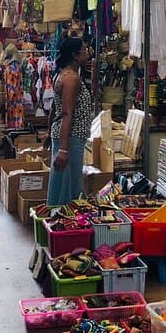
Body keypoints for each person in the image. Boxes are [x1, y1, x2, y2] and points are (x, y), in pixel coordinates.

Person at [47, 37, 93, 206]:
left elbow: (54, 108)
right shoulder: (72, 79)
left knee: (62, 184)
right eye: (84, 50)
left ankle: (60, 222)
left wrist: (49, 132)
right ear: (75, 55)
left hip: (65, 136)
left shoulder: (62, 75)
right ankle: (65, 225)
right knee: (71, 186)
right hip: (70, 138)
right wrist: (64, 150)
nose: (87, 52)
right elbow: (67, 113)